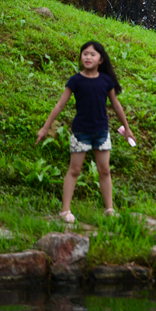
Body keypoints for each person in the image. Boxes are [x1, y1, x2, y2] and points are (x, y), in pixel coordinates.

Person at [36, 41, 136, 223]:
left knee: (104, 169)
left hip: (101, 131)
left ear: (100, 60)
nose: (88, 57)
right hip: (81, 131)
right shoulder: (75, 80)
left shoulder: (106, 81)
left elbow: (116, 105)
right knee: (74, 169)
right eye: (85, 54)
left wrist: (127, 129)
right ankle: (65, 210)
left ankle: (109, 209)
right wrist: (45, 127)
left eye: (93, 54)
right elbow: (60, 104)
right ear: (81, 58)